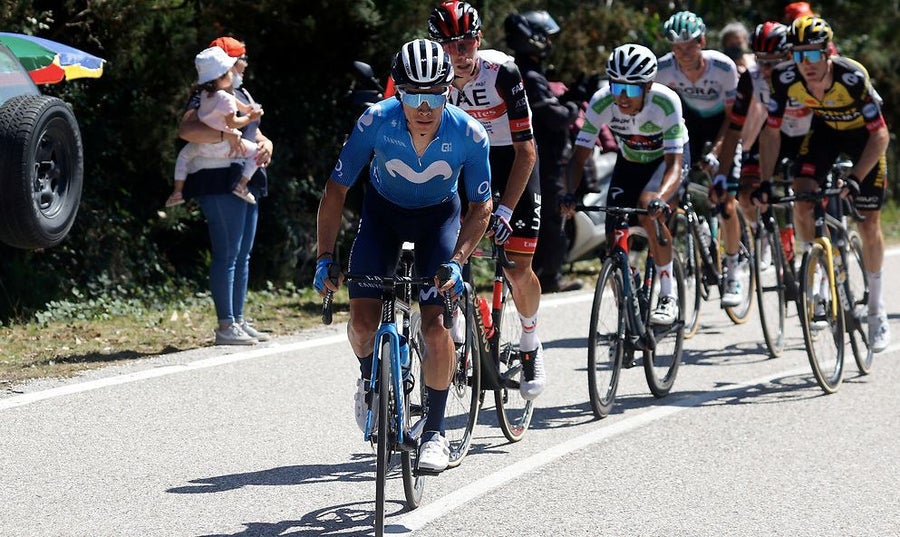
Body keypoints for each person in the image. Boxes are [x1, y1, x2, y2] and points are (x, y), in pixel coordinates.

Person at [314, 39, 492, 472]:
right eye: (413, 96)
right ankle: (368, 379)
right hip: (383, 218)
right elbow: (336, 190)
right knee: (361, 323)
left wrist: (458, 261)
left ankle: (435, 432)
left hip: (438, 223)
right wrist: (324, 256)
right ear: (399, 94)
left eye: (434, 95)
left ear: (448, 90)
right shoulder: (376, 120)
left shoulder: (469, 133)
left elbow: (480, 207)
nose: (424, 107)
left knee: (435, 328)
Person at [428, 1, 547, 400]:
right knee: (450, 248)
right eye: (448, 46)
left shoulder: (502, 72)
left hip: (510, 160)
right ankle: (462, 322)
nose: (458, 54)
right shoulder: (431, 76)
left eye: (465, 43)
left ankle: (530, 342)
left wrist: (507, 209)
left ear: (479, 40)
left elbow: (526, 151)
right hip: (464, 161)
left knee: (517, 266)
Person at [756, 16, 891, 352]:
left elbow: (880, 135)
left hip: (864, 139)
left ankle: (877, 310)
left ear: (828, 52)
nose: (807, 64)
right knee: (801, 196)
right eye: (799, 55)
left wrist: (856, 178)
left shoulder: (851, 76)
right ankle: (815, 263)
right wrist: (764, 181)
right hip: (826, 134)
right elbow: (771, 132)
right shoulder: (785, 78)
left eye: (814, 54)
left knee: (868, 221)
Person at [564, 44, 688, 325]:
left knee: (648, 208)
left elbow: (675, 165)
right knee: (613, 231)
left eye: (630, 89)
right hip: (630, 160)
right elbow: (578, 157)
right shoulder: (601, 102)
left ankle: (668, 295)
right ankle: (628, 294)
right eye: (616, 86)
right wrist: (569, 194)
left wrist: (660, 198)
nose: (621, 96)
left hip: (665, 160)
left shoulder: (666, 102)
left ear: (648, 87)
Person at [178, 36, 275, 346]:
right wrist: (224, 135)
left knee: (242, 254)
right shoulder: (206, 95)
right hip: (218, 179)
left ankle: (237, 319)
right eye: (240, 59)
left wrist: (267, 143)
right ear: (227, 64)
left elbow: (253, 132)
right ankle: (225, 324)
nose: (244, 64)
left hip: (245, 177)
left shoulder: (240, 93)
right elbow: (187, 130)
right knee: (227, 253)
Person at [656, 10, 745, 308]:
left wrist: (715, 152)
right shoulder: (663, 69)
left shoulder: (723, 67)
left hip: (722, 126)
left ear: (702, 42)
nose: (683, 53)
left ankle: (733, 271)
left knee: (725, 201)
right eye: (677, 47)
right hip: (688, 125)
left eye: (689, 46)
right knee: (670, 195)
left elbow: (733, 118)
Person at [504, 9, 586, 295]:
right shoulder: (529, 75)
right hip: (544, 159)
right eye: (546, 38)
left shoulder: (519, 70)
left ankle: (535, 275)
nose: (550, 43)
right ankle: (549, 277)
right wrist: (574, 105)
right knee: (551, 217)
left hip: (528, 156)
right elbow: (554, 116)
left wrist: (567, 98)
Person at [716, 21, 811, 261]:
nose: (766, 70)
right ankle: (763, 232)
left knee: (808, 195)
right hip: (772, 134)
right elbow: (734, 129)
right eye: (761, 61)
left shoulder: (806, 73)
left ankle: (818, 246)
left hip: (808, 135)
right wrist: (721, 176)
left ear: (789, 56)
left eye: (773, 62)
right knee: (746, 194)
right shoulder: (751, 78)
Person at [167, 46, 263, 208]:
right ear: (222, 75)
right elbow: (233, 123)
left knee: (183, 156)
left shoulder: (206, 94)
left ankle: (177, 192)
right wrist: (249, 118)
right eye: (230, 70)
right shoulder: (226, 98)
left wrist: (247, 109)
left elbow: (235, 103)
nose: (233, 73)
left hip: (202, 145)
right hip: (224, 146)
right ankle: (242, 184)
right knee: (257, 154)